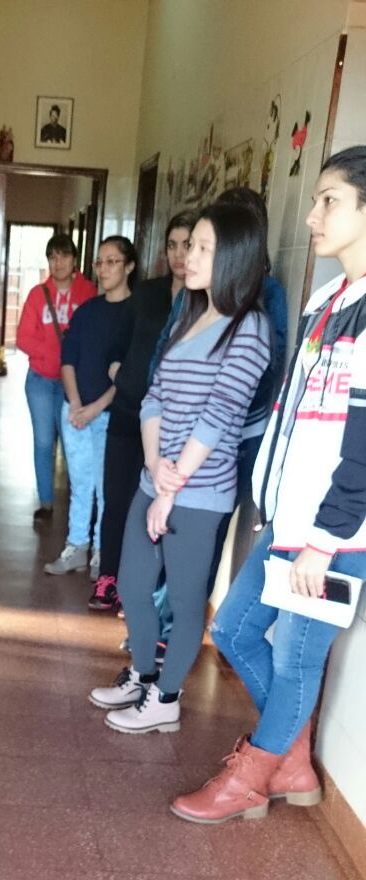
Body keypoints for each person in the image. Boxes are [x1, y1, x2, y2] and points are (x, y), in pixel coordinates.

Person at [171, 146, 366, 822]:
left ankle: (251, 779)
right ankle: (293, 760)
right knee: (233, 631)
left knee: (295, 661)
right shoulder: (326, 301)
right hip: (293, 518)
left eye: (329, 201)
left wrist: (325, 540)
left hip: (336, 533)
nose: (311, 216)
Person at [89, 203, 271, 733]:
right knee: (131, 584)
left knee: (187, 601)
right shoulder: (189, 316)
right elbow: (154, 398)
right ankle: (143, 676)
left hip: (199, 493)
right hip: (157, 478)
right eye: (191, 246)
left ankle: (165, 699)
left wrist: (171, 489)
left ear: (235, 257)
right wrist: (154, 465)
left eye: (204, 248)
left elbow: (220, 414)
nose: (190, 256)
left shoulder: (250, 328)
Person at [90, 212, 195, 611]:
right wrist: (123, 374)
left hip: (172, 428)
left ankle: (142, 590)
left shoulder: (207, 300)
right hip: (128, 414)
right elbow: (116, 346)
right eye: (172, 245)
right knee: (116, 502)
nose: (179, 254)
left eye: (188, 245)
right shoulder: (147, 293)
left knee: (153, 509)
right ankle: (108, 579)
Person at [45, 236, 136, 577]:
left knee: (105, 488)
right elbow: (67, 360)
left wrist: (95, 408)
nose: (103, 269)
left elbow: (130, 373)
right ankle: (76, 546)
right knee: (81, 485)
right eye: (99, 262)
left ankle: (101, 551)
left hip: (110, 415)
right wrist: (75, 404)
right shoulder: (87, 311)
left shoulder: (136, 314)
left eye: (112, 261)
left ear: (129, 266)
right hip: (76, 413)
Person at [16, 233, 96, 521]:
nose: (58, 262)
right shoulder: (38, 295)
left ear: (75, 260)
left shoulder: (88, 292)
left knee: (73, 443)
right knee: (43, 442)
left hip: (73, 383)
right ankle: (46, 502)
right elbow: (23, 337)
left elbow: (93, 335)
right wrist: (53, 354)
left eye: (64, 256)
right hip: (40, 380)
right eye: (52, 257)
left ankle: (80, 503)